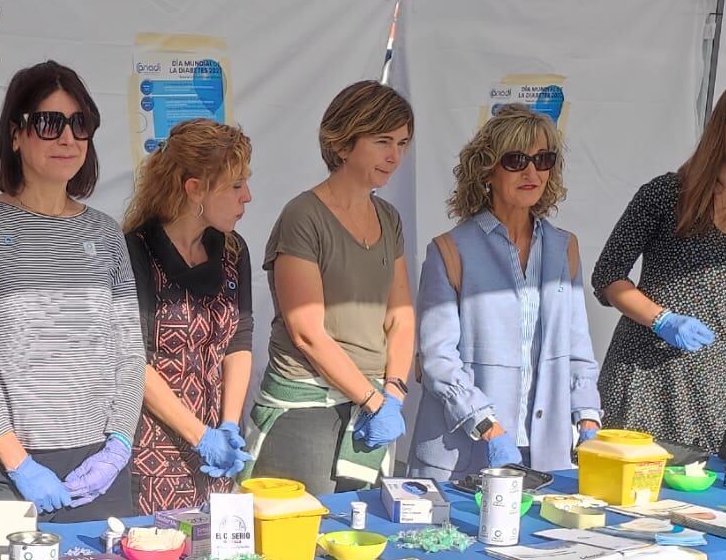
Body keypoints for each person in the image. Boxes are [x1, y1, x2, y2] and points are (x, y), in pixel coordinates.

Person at [0, 61, 140, 521]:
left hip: (96, 466)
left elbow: (130, 355)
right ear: (16, 134)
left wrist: (119, 446)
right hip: (0, 466)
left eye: (79, 124)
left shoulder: (107, 235)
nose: (67, 139)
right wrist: (19, 462)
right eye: (49, 123)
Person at [592, 76, 726, 453]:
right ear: (720, 125)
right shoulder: (665, 192)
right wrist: (661, 319)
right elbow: (607, 276)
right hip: (641, 373)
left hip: (709, 388)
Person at [411, 104, 600, 480]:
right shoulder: (449, 250)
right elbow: (437, 360)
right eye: (516, 160)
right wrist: (488, 426)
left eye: (543, 159)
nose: (532, 172)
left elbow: (578, 352)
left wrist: (588, 417)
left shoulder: (566, 248)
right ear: (487, 171)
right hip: (465, 452)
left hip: (547, 453)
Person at [247, 81, 415, 495]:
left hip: (371, 405)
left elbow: (401, 315)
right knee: (297, 543)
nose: (395, 156)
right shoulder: (303, 216)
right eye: (382, 141)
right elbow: (307, 333)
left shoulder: (388, 217)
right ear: (342, 143)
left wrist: (393, 391)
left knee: (359, 540)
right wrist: (374, 402)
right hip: (307, 404)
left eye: (402, 143)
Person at [120, 119, 256, 514]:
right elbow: (135, 364)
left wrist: (228, 426)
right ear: (194, 189)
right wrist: (200, 437)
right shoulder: (136, 251)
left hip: (220, 450)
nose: (247, 196)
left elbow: (239, 340)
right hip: (153, 455)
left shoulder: (233, 250)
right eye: (235, 185)